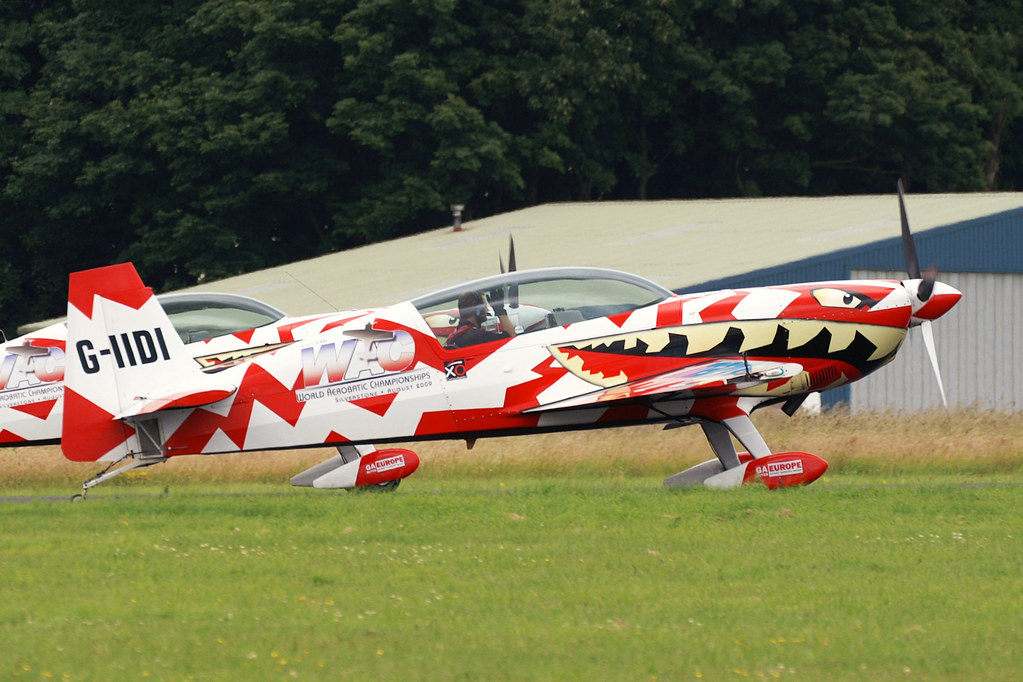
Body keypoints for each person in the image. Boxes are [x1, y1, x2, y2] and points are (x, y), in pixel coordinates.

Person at [445, 290, 516, 347]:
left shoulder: (460, 331)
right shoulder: (477, 336)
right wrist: (500, 311)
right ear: (478, 310)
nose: (486, 309)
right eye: (484, 306)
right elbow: (511, 339)